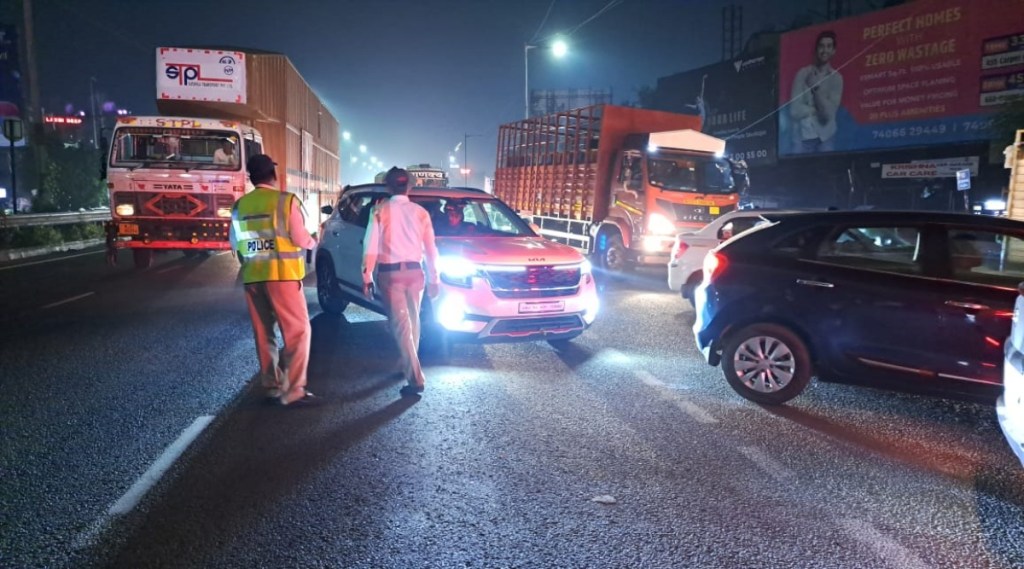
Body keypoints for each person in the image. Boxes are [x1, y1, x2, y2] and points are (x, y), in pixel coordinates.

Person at [230, 154, 318, 406]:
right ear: (274, 175)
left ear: (251, 177)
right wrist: (314, 241)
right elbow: (301, 238)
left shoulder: (240, 206)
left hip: (253, 278)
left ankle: (271, 385)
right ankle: (294, 391)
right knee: (298, 332)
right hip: (282, 276)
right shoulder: (285, 201)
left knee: (263, 332)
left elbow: (235, 243)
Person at [362, 167, 441, 397]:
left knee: (401, 326)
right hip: (416, 273)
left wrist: (366, 276)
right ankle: (408, 365)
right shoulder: (421, 213)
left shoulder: (379, 211)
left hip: (391, 273)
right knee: (413, 322)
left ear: (388, 186)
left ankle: (415, 378)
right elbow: (431, 249)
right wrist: (435, 277)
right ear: (410, 186)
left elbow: (371, 247)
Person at [789, 30, 843, 153]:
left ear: (833, 51)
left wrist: (815, 88)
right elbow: (794, 110)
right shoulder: (802, 74)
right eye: (821, 46)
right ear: (816, 49)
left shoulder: (836, 78)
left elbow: (827, 115)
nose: (825, 50)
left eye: (829, 46)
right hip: (802, 139)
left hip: (826, 138)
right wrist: (817, 109)